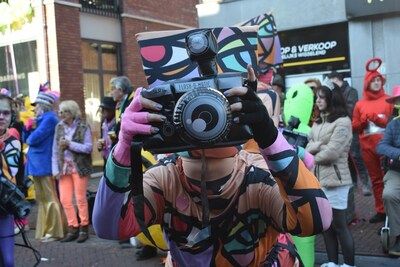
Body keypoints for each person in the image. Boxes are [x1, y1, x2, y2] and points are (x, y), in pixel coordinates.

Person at [93, 65, 332, 266]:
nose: (203, 116)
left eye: (217, 101)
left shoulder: (257, 171)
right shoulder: (166, 178)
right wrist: (124, 147)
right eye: (186, 103)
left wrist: (269, 135)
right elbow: (110, 227)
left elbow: (316, 220)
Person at [306, 84, 355, 267]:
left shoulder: (343, 121)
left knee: (340, 225)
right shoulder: (318, 122)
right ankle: (332, 263)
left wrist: (312, 152)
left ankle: (349, 264)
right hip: (319, 180)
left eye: (321, 97)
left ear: (331, 99)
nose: (317, 100)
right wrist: (318, 145)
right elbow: (308, 144)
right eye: (316, 97)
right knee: (326, 226)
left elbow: (333, 152)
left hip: (336, 181)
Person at [352, 58, 393, 223]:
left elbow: (392, 122)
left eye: (378, 80)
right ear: (367, 83)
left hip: (387, 147)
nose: (376, 83)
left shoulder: (389, 100)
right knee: (376, 180)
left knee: (389, 179)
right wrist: (362, 122)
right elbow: (354, 126)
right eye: (373, 80)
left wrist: (377, 119)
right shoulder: (359, 104)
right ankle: (381, 210)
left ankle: (392, 212)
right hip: (367, 147)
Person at [25, 92, 65, 242]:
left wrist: (31, 130)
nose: (34, 109)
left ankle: (54, 231)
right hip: (37, 164)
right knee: (42, 199)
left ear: (43, 105)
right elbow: (26, 137)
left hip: (44, 164)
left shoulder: (49, 119)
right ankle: (45, 229)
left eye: (36, 105)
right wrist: (28, 127)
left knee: (50, 198)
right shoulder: (41, 119)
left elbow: (32, 139)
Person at [52, 100, 93, 243]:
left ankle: (84, 227)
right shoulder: (59, 127)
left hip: (79, 167)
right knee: (65, 199)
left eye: (65, 111)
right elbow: (55, 151)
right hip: (64, 168)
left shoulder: (83, 126)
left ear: (72, 112)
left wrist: (70, 144)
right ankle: (72, 227)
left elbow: (88, 148)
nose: (61, 114)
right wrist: (55, 169)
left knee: (80, 199)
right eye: (60, 111)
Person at [328, 71, 371, 196]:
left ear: (336, 79)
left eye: (331, 80)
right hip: (342, 128)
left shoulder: (351, 91)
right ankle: (353, 183)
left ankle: (365, 183)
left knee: (356, 156)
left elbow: (352, 110)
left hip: (352, 128)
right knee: (347, 158)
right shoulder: (335, 93)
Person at [376, 85, 400, 256]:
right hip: (396, 170)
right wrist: (398, 154)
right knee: (389, 194)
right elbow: (381, 146)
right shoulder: (393, 124)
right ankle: (398, 236)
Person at [0, 94, 22, 267]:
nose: (1, 117)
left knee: (8, 261)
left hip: (3, 207)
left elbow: (10, 172)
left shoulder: (13, 142)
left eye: (6, 113)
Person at [96, 96, 116, 165]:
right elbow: (102, 139)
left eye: (105, 109)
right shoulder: (103, 123)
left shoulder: (117, 123)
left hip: (115, 159)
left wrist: (114, 139)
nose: (102, 111)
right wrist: (100, 146)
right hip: (106, 159)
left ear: (112, 110)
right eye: (102, 109)